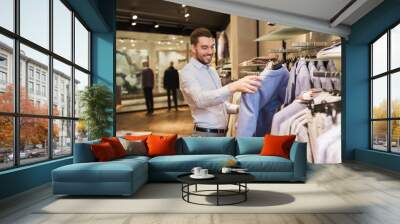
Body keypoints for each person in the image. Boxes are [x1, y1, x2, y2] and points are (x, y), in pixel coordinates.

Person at [180, 27, 263, 137]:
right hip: (205, 135)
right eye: (204, 48)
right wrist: (233, 87)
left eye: (212, 47)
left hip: (222, 135)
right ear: (194, 48)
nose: (210, 52)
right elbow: (201, 100)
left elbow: (220, 104)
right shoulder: (188, 72)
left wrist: (240, 109)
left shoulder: (212, 71)